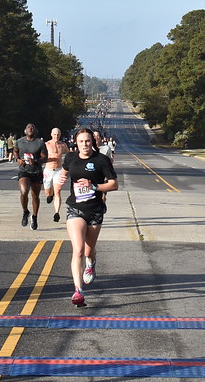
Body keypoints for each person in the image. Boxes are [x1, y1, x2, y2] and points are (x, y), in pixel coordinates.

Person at [57, 127, 118, 307]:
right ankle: (78, 290)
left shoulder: (101, 160)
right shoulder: (70, 158)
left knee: (88, 251)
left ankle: (91, 262)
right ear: (76, 142)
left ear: (93, 142)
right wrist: (60, 180)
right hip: (75, 209)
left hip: (95, 210)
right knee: (77, 250)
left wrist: (94, 187)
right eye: (81, 141)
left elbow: (114, 185)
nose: (84, 144)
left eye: (88, 141)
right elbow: (64, 172)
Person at [14, 123, 48, 230]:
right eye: (29, 127)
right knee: (24, 192)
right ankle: (25, 211)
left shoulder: (40, 143)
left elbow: (45, 158)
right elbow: (15, 151)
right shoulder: (20, 142)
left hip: (36, 171)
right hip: (24, 170)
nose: (31, 128)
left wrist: (36, 161)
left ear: (35, 131)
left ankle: (35, 216)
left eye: (33, 127)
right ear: (25, 130)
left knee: (35, 196)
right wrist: (18, 160)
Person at [44, 127, 68, 222]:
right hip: (48, 171)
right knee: (48, 193)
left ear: (60, 135)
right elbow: (40, 156)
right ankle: (50, 194)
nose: (56, 136)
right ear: (51, 134)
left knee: (58, 192)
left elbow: (69, 154)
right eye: (54, 134)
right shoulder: (46, 144)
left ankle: (56, 213)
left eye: (58, 134)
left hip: (58, 171)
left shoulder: (63, 145)